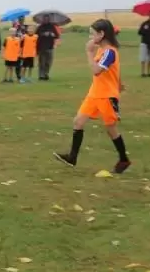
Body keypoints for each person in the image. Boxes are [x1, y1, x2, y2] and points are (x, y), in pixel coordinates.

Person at [54, 19, 130, 174]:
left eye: (92, 34)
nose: (90, 37)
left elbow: (97, 71)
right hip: (94, 93)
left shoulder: (109, 52)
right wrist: (120, 83)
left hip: (106, 95)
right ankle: (72, 157)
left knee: (111, 128)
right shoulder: (101, 50)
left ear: (101, 34)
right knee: (78, 121)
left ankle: (123, 159)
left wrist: (89, 52)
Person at [36, 14, 60, 81]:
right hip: (41, 47)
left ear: (49, 19)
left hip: (50, 47)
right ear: (43, 19)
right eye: (45, 19)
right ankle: (41, 75)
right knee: (42, 62)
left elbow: (57, 36)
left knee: (48, 62)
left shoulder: (52, 26)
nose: (46, 20)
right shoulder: (40, 27)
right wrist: (43, 34)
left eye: (47, 19)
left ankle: (46, 74)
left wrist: (53, 34)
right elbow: (36, 35)